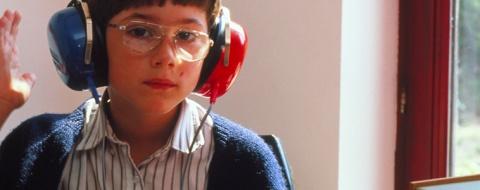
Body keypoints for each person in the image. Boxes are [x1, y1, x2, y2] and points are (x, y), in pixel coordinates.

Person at [0, 0, 287, 189]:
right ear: (91, 44)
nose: (167, 57)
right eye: (140, 31)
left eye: (187, 36)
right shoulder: (33, 150)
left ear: (215, 51)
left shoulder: (248, 163)